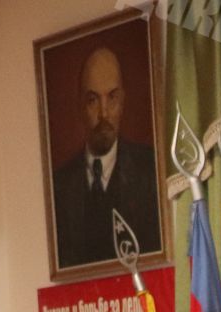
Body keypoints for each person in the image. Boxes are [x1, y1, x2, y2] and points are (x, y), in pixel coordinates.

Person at [51, 45, 161, 267]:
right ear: (80, 106)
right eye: (93, 100)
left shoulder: (151, 172)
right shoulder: (59, 186)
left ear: (123, 100)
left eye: (112, 97)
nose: (104, 113)